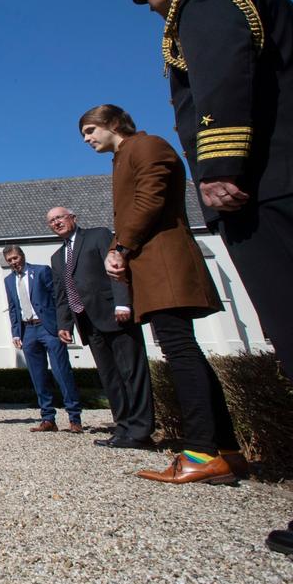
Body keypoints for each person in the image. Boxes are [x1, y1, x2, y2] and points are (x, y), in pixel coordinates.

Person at [124, 0, 293, 547]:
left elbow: (222, 79)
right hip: (285, 175)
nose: (148, 3)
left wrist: (221, 167)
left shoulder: (202, 0)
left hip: (272, 182)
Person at [80, 104, 241, 485]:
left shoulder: (147, 146)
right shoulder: (124, 157)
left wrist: (120, 247)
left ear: (113, 123)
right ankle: (227, 451)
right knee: (185, 351)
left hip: (164, 263)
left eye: (90, 130)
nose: (87, 139)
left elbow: (150, 199)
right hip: (153, 267)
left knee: (180, 352)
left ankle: (201, 451)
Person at [47, 207, 154, 448]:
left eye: (60, 218)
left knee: (131, 372)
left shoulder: (98, 235)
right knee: (110, 377)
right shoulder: (57, 257)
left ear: (73, 217)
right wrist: (64, 323)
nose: (56, 223)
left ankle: (141, 430)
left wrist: (123, 303)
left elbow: (116, 268)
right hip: (88, 322)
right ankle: (123, 427)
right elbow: (61, 293)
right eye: (52, 221)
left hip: (114, 315)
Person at [2, 245, 82, 433]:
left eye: (15, 258)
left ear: (22, 256)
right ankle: (47, 418)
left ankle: (74, 418)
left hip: (48, 327)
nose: (14, 262)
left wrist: (63, 325)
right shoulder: (9, 280)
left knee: (61, 372)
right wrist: (15, 332)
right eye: (10, 260)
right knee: (37, 376)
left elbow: (58, 298)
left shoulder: (41, 271)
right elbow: (13, 307)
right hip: (27, 330)